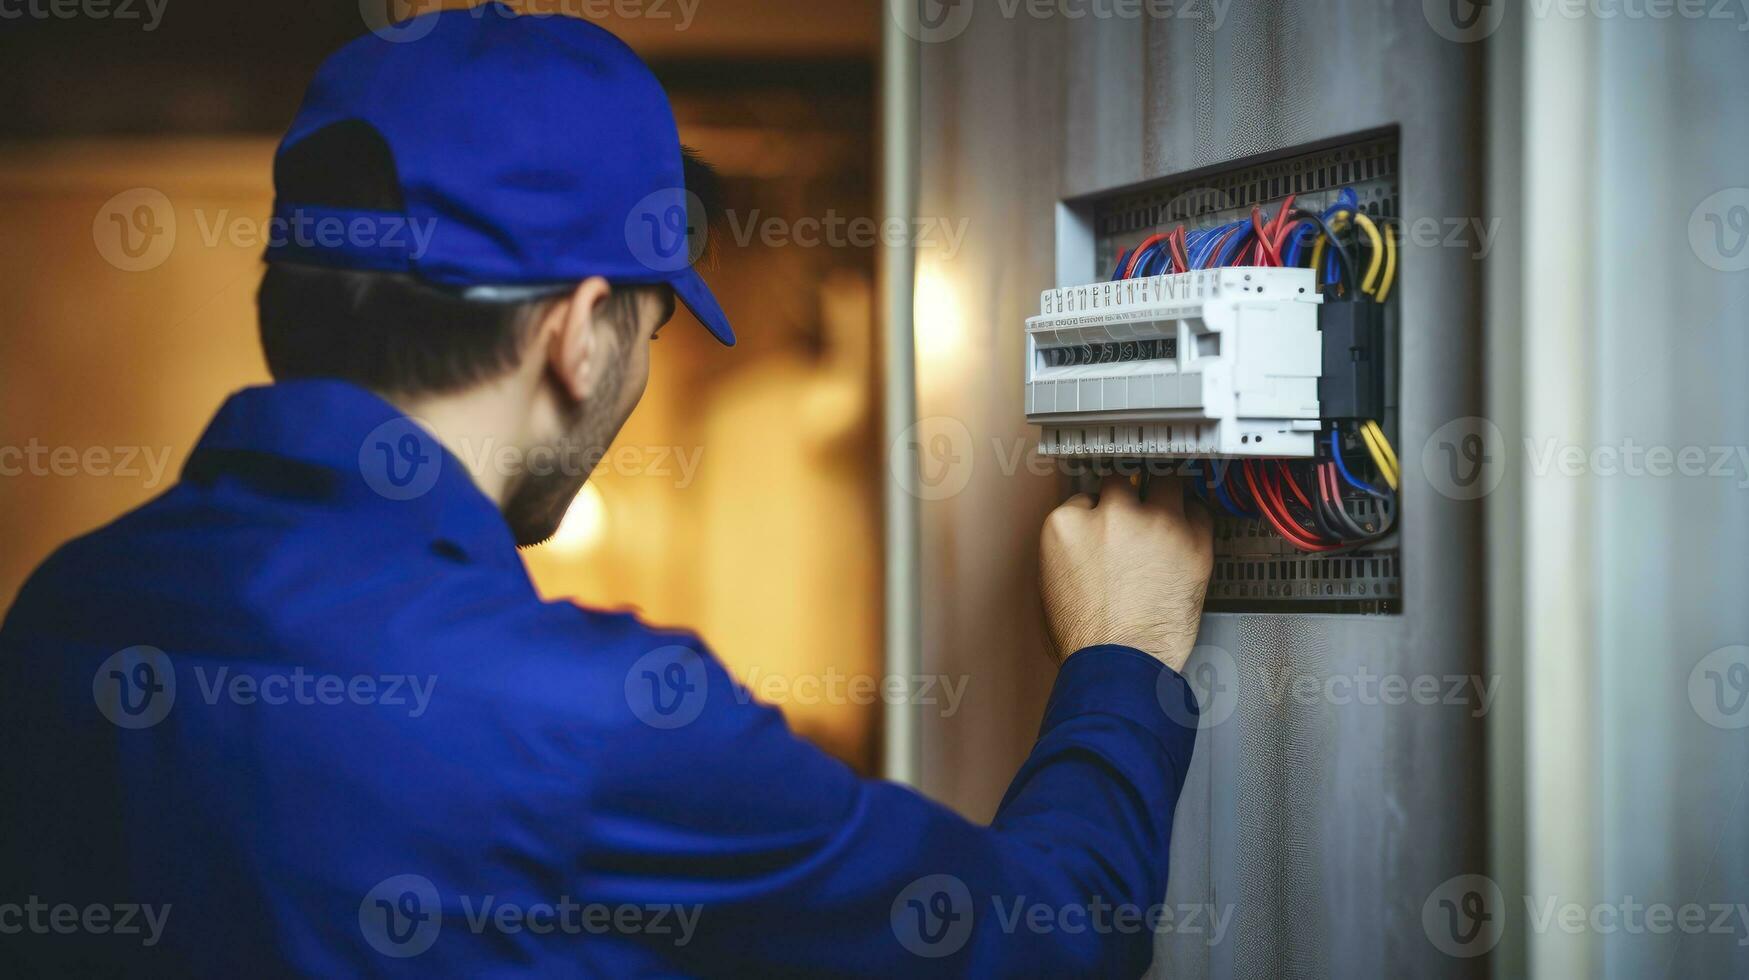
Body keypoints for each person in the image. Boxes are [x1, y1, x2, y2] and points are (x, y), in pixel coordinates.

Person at [0, 7, 1214, 976]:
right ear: (582, 333)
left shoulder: (64, 612)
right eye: (652, 318)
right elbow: (1049, 940)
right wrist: (1123, 653)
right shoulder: (604, 718)